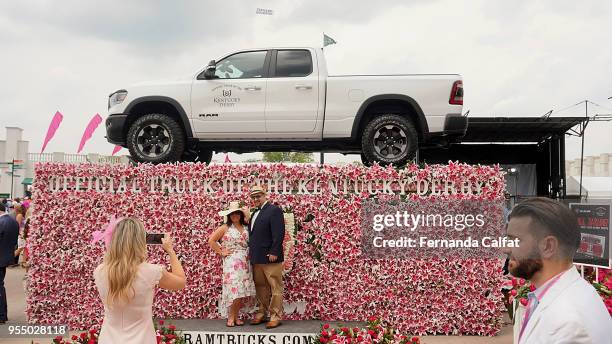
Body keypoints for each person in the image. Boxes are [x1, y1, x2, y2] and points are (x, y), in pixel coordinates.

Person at [503, 198, 611, 344]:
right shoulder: (570, 295)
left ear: (548, 246)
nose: (505, 249)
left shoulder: (569, 323)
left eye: (515, 240)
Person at [93, 218, 186, 344]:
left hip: (108, 339)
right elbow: (180, 282)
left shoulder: (99, 271)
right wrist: (170, 250)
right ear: (140, 241)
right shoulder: (152, 272)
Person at [208, 201, 256, 327]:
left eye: (237, 213)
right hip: (231, 262)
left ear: (241, 214)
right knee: (234, 289)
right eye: (232, 214)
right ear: (229, 216)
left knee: (241, 290)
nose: (234, 215)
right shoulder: (225, 227)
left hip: (245, 261)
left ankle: (236, 316)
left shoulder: (247, 227)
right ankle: (231, 316)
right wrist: (221, 252)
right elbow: (211, 240)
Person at [248, 185, 285, 329]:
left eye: (258, 196)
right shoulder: (254, 213)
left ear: (265, 196)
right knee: (261, 287)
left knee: (275, 286)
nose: (256, 199)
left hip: (270, 256)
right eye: (254, 197)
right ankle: (261, 313)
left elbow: (279, 233)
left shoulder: (274, 210)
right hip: (257, 257)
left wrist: (274, 251)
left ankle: (275, 316)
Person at [0, 202, 19, 324]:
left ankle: (1, 315)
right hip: (6, 257)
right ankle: (3, 314)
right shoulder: (13, 221)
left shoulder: (2, 222)